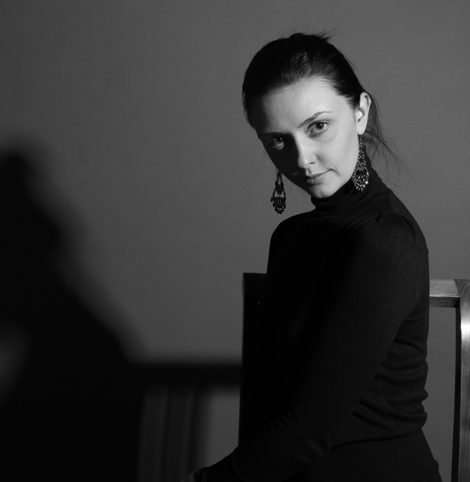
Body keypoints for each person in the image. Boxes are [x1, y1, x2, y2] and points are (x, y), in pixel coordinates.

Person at [182, 33, 441, 482]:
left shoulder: (384, 239)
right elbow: (273, 397)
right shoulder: (291, 236)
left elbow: (309, 427)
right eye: (277, 140)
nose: (302, 159)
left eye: (318, 126)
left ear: (360, 112)